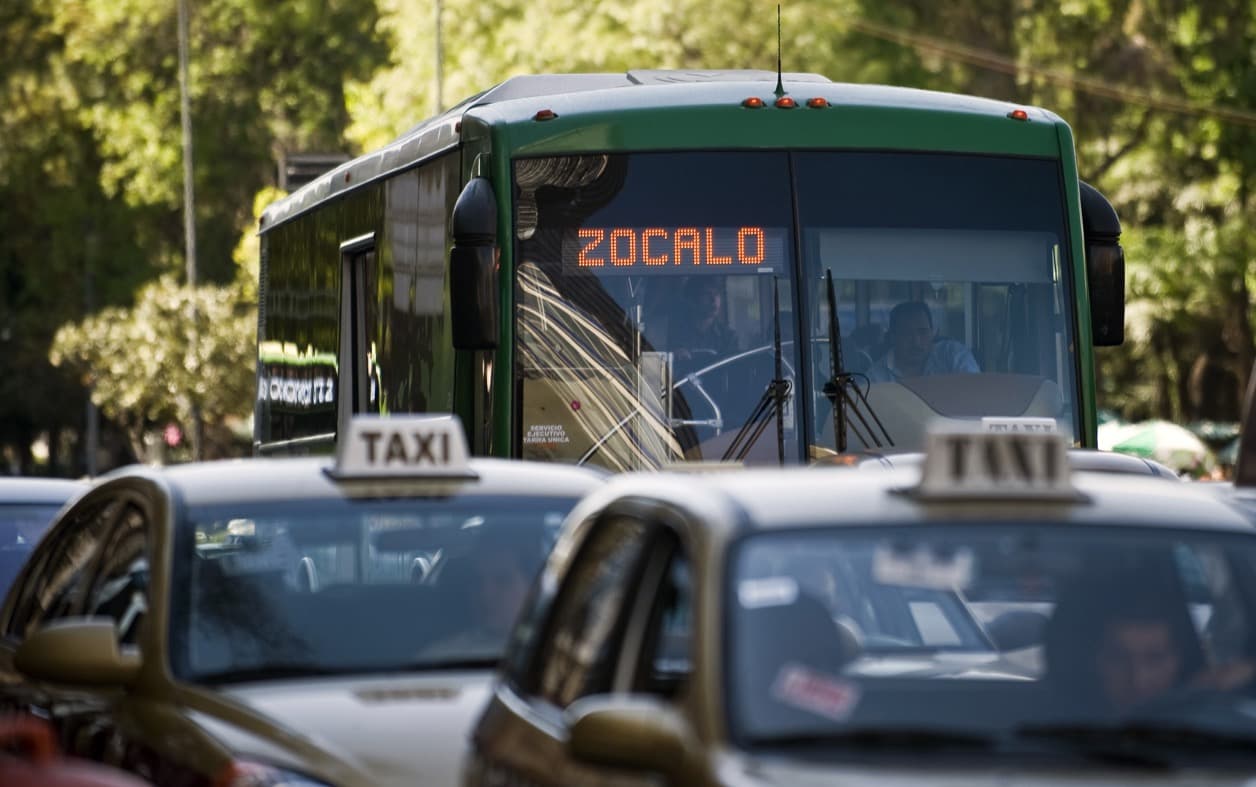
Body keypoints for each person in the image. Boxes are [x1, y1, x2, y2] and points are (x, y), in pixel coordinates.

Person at [419, 539, 535, 659]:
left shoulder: (551, 654)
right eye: (477, 581)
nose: (485, 594)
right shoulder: (441, 659)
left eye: (503, 581)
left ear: (533, 587)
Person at [865, 300, 979, 383]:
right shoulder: (875, 378)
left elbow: (976, 391)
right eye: (907, 334)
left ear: (932, 332)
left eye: (923, 332)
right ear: (893, 337)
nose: (916, 342)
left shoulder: (952, 355)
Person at [672, 277, 737, 361]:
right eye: (707, 294)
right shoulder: (676, 333)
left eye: (716, 294)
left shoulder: (728, 336)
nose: (714, 300)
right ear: (692, 300)